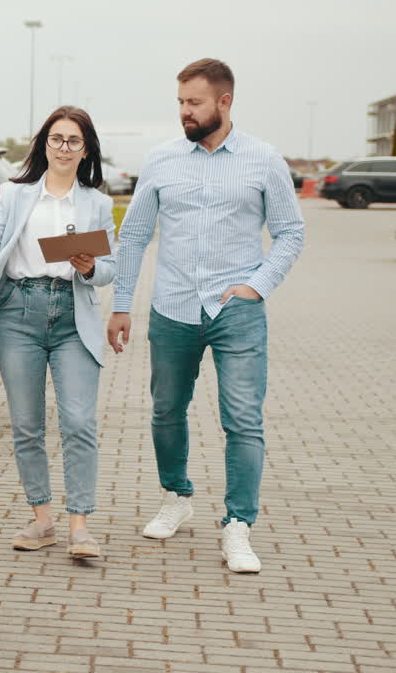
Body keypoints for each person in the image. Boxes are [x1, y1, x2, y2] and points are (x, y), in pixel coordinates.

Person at [107, 58, 305, 573]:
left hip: (236, 310)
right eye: (179, 103)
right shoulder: (161, 160)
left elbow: (291, 231)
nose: (184, 112)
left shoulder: (264, 160)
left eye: (193, 102)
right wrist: (122, 303)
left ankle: (238, 525)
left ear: (225, 101)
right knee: (165, 410)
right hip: (172, 307)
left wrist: (257, 287)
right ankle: (177, 496)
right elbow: (133, 235)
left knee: (242, 419)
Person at [0, 106, 117, 559]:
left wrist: (92, 265)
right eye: (56, 139)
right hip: (19, 313)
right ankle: (42, 521)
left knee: (78, 421)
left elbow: (109, 268)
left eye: (73, 141)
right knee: (27, 425)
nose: (63, 148)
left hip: (73, 313)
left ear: (86, 149)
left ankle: (80, 526)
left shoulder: (96, 202)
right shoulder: (15, 194)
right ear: (44, 144)